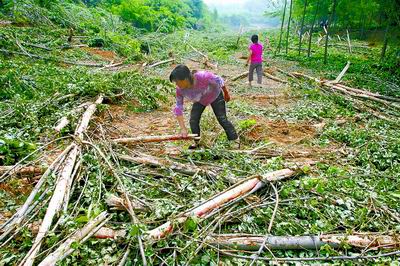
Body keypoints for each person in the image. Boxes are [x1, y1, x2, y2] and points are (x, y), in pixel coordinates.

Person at [169, 65, 238, 149]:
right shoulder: (180, 90)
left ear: (185, 79)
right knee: (193, 120)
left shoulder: (202, 76)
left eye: (177, 81)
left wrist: (226, 93)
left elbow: (218, 80)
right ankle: (197, 142)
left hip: (214, 95)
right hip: (201, 100)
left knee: (222, 119)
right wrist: (183, 128)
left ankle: (234, 140)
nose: (176, 84)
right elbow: (178, 107)